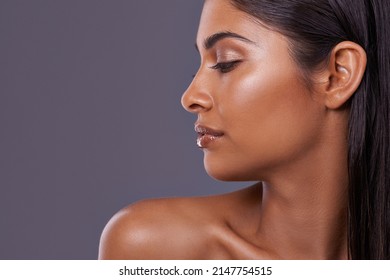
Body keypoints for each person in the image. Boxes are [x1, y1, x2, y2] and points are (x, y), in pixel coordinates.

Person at [98, 0, 390, 259]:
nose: (190, 97)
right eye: (199, 65)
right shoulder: (154, 249)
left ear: (338, 74)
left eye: (226, 62)